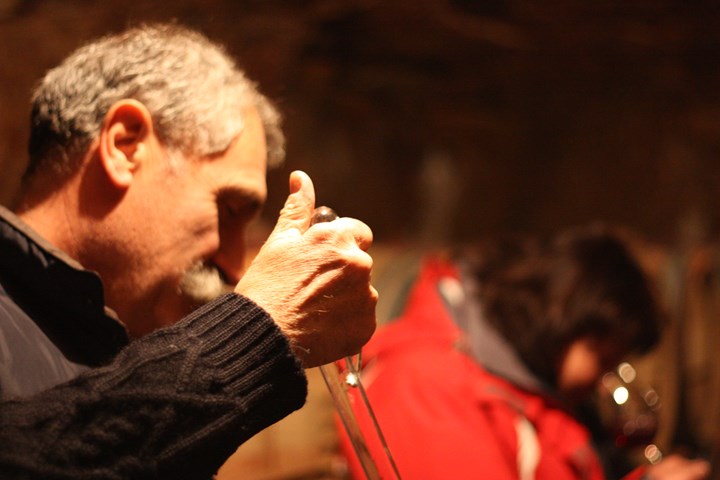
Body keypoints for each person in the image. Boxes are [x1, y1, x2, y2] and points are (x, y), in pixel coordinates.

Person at [0, 23, 377, 479]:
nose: (234, 265)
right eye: (229, 209)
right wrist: (257, 330)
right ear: (125, 145)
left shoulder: (115, 340)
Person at [338, 225, 710, 479]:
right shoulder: (425, 383)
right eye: (600, 358)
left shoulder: (524, 379)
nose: (601, 381)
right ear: (564, 320)